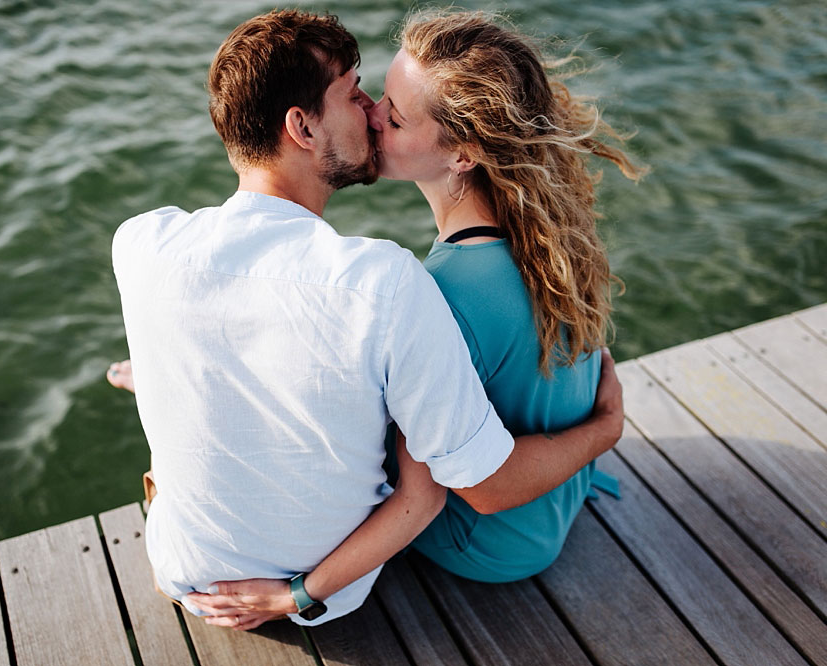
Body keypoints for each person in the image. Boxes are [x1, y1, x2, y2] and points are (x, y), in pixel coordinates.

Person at [111, 9, 624, 629]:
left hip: (483, 540)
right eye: (361, 96)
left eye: (391, 110)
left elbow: (466, 488)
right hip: (549, 508)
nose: (373, 113)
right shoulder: (543, 239)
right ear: (301, 126)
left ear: (463, 153)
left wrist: (606, 429)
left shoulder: (140, 242)